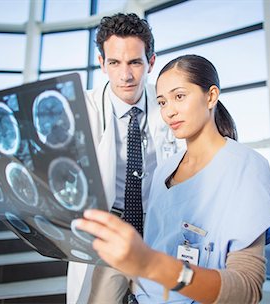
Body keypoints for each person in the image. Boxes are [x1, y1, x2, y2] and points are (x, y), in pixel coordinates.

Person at [74, 54, 270, 303]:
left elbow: (246, 291)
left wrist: (153, 264)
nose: (169, 112)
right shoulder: (163, 171)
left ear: (210, 96)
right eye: (162, 102)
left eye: (179, 97)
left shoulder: (246, 168)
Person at [66, 13, 182, 303]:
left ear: (151, 62)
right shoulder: (83, 108)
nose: (125, 75)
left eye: (135, 62)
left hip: (160, 227)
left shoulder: (170, 106)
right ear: (102, 63)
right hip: (112, 229)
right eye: (115, 63)